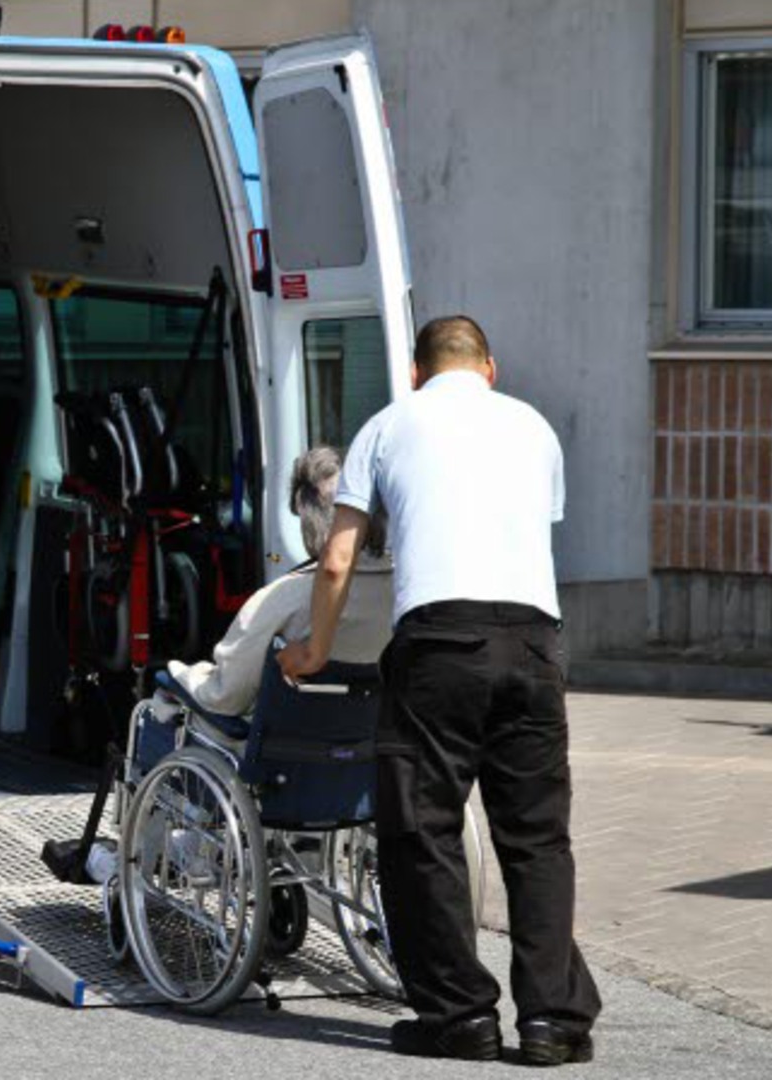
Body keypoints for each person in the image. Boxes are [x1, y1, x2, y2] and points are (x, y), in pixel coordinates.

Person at [279, 315, 600, 1065]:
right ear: (489, 367)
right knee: (537, 840)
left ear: (417, 373)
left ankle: (461, 1016)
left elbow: (336, 559)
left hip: (438, 647)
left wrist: (314, 650)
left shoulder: (389, 425)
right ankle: (552, 1019)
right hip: (532, 643)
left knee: (422, 832)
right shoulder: (534, 428)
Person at [163, 445, 376, 716]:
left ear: (307, 517)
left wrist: (181, 674)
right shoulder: (406, 593)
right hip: (372, 743)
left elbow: (226, 697)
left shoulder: (281, 599)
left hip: (296, 744)